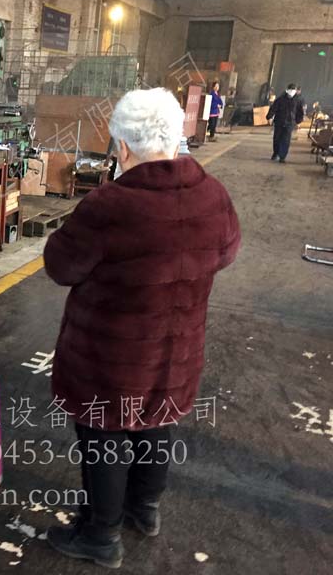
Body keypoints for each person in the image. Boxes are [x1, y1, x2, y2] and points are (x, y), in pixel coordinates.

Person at [43, 88, 241, 570]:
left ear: (123, 147)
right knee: (156, 420)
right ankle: (144, 509)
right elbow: (226, 252)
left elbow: (61, 266)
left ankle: (101, 535)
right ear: (176, 137)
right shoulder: (212, 194)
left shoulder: (110, 204)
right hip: (176, 349)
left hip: (110, 357)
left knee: (105, 435)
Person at [267, 83, 305, 163]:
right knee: (277, 139)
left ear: (295, 91)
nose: (292, 91)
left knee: (286, 140)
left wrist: (298, 121)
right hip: (279, 121)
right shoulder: (280, 99)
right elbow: (273, 109)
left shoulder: (298, 101)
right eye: (290, 90)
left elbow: (300, 112)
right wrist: (269, 117)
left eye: (293, 90)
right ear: (287, 90)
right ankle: (276, 153)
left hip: (290, 123)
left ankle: (282, 157)